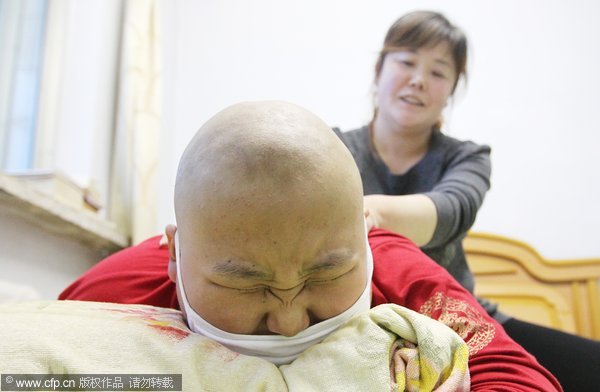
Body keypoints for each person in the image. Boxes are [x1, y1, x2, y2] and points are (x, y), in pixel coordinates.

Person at [61, 100, 561, 391]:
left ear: (363, 239)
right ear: (174, 255)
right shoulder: (109, 294)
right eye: (246, 283)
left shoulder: (393, 263)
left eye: (324, 275)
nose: (290, 322)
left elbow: (517, 376)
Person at [334, 10, 600, 391]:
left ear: (452, 89)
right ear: (379, 69)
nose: (418, 80)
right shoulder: (332, 151)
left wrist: (366, 212)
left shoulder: (468, 157)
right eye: (407, 62)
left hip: (464, 321)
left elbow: (449, 211)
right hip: (361, 327)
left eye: (438, 72)